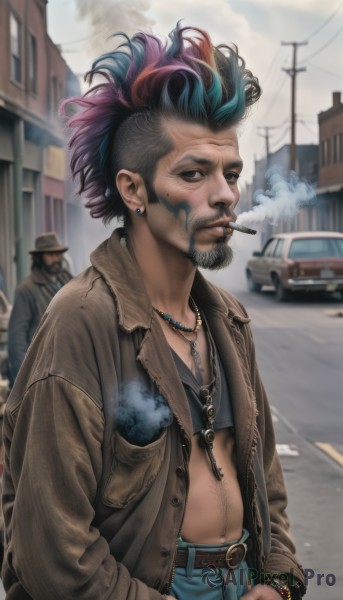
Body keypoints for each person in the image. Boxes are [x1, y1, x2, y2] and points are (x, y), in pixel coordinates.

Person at [2, 24, 306, 600]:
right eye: (194, 173)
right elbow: (51, 553)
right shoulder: (82, 322)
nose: (224, 195)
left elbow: (266, 483)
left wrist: (276, 581)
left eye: (231, 173)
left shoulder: (230, 321)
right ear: (133, 190)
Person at [7, 232, 72, 386]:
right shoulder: (26, 289)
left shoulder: (69, 281)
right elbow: (17, 340)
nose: (57, 258)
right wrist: (25, 381)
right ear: (39, 257)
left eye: (58, 254)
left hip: (68, 367)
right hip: (42, 370)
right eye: (51, 254)